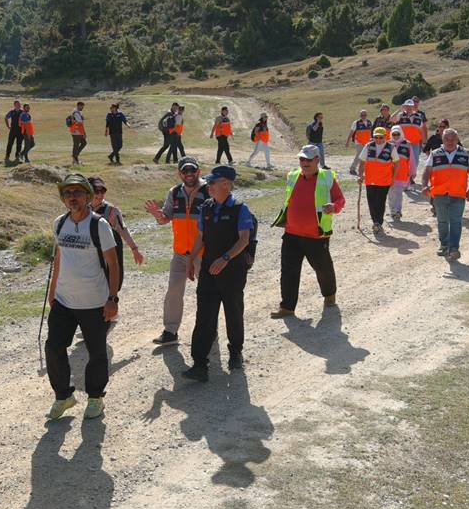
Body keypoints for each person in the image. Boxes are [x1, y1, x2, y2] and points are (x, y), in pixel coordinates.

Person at [45, 174, 120, 420]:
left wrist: (112, 299)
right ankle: (64, 396)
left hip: (94, 303)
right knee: (54, 348)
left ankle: (96, 397)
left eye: (77, 192)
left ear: (88, 196)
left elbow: (113, 263)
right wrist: (53, 290)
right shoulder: (59, 223)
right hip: (64, 301)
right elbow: (59, 258)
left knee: (97, 352)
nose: (72, 197)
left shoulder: (99, 226)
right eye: (67, 193)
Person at [181, 165, 255, 381]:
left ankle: (235, 353)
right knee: (204, 316)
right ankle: (200, 365)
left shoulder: (241, 209)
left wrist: (225, 259)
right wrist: (190, 260)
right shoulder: (206, 207)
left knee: (233, 312)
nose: (208, 186)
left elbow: (244, 239)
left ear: (226, 184)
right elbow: (200, 238)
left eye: (212, 183)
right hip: (208, 272)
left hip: (232, 271)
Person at [270, 144, 344, 318]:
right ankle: (287, 307)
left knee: (323, 268)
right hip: (292, 233)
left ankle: (329, 295)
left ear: (317, 160)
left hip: (316, 234)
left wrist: (334, 207)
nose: (304, 163)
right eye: (302, 159)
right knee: (288, 271)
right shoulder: (293, 175)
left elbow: (340, 199)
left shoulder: (327, 177)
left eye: (308, 159)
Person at [143, 157, 210, 345]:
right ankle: (170, 331)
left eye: (192, 170)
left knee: (206, 294)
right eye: (185, 171)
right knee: (174, 290)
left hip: (203, 254)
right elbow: (166, 218)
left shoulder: (208, 191)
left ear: (199, 171)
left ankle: (208, 329)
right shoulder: (174, 192)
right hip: (180, 253)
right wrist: (158, 215)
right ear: (179, 173)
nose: (189, 174)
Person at [421, 128, 469, 261]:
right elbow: (426, 172)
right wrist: (424, 186)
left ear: (457, 140)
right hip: (439, 193)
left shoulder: (466, 154)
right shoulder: (435, 154)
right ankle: (444, 245)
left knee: (456, 222)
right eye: (447, 139)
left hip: (458, 193)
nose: (450, 141)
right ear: (442, 140)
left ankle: (454, 248)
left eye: (453, 139)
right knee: (442, 221)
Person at [89, 176, 145, 292]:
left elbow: (123, 230)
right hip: (91, 256)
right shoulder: (82, 209)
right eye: (96, 191)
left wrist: (134, 249)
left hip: (111, 253)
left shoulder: (111, 210)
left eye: (103, 191)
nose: (100, 195)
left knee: (111, 286)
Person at [357, 127, 399, 232]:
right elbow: (362, 163)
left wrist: (393, 178)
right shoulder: (368, 146)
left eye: (381, 137)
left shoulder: (391, 147)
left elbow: (397, 163)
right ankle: (375, 221)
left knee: (380, 202)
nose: (378, 139)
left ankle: (378, 222)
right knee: (371, 201)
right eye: (376, 137)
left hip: (384, 181)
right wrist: (360, 175)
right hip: (370, 180)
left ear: (385, 137)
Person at [393, 99, 426, 184]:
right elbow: (391, 119)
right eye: (407, 107)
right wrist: (399, 109)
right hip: (403, 143)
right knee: (403, 161)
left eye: (410, 107)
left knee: (415, 161)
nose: (409, 108)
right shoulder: (400, 115)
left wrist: (423, 142)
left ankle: (410, 177)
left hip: (415, 143)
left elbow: (421, 130)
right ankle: (404, 177)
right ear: (405, 107)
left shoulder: (418, 116)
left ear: (413, 107)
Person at [387, 126, 412, 221]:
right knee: (390, 193)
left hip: (402, 172)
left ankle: (398, 211)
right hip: (389, 173)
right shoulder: (387, 144)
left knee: (398, 193)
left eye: (398, 134)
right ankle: (392, 211)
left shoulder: (407, 144)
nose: (396, 136)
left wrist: (412, 172)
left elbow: (411, 160)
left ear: (401, 133)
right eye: (394, 134)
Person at [345, 109, 373, 175]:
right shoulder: (356, 123)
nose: (363, 116)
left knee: (367, 156)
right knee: (359, 155)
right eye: (362, 115)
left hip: (367, 142)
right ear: (360, 115)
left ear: (366, 115)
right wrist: (347, 141)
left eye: (364, 115)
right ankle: (352, 169)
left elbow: (371, 132)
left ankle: (366, 169)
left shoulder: (370, 122)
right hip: (359, 142)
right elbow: (351, 132)